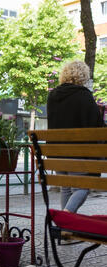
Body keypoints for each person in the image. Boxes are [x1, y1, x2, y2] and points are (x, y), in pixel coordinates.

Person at [47, 60, 104, 213]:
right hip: (78, 154)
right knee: (82, 188)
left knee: (66, 188)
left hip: (56, 154)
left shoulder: (52, 96)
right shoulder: (84, 96)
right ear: (83, 76)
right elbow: (96, 128)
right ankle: (65, 216)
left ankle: (64, 228)